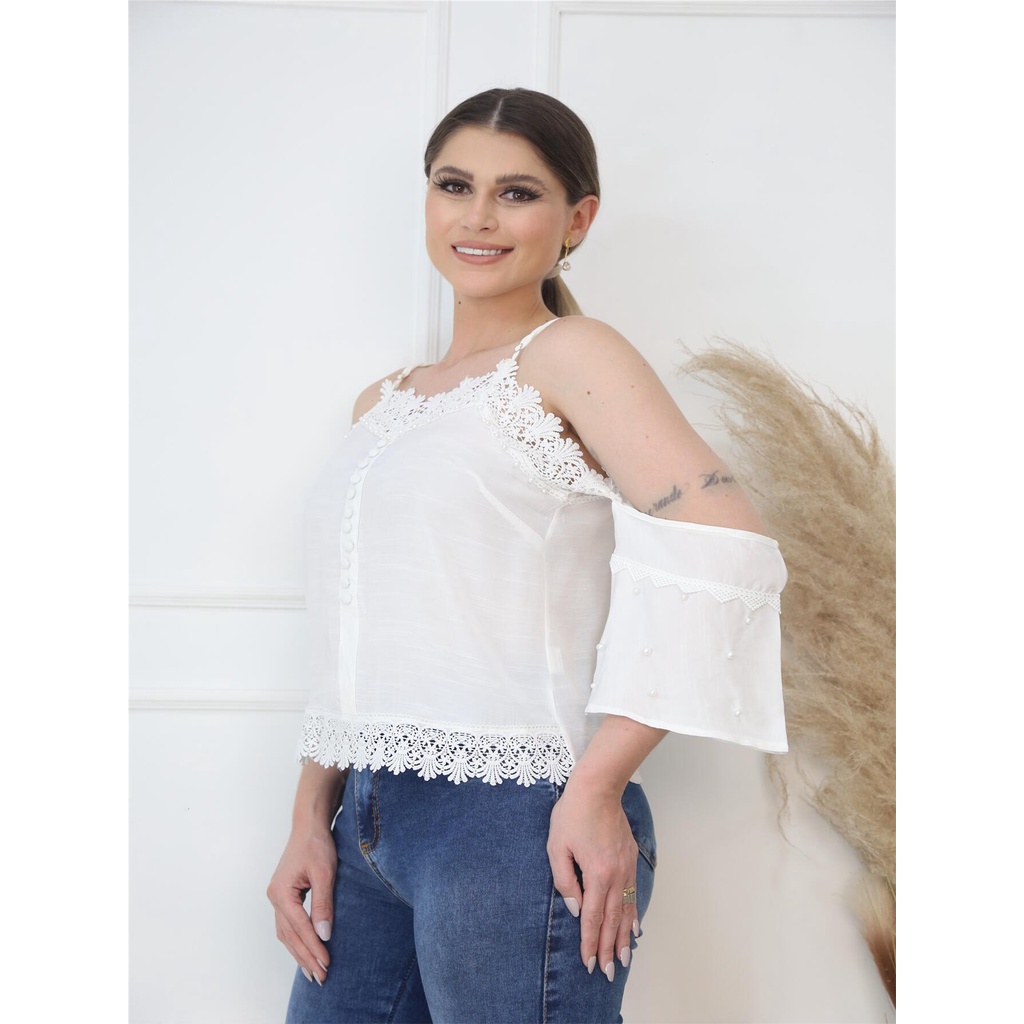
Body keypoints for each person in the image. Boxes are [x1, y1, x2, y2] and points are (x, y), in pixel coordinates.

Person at [267, 87, 788, 1024]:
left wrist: (598, 784)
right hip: (364, 823)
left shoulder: (571, 356)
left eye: (517, 193)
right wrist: (312, 815)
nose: (477, 216)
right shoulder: (381, 403)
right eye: (453, 185)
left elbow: (728, 545)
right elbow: (359, 624)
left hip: (515, 824)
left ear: (577, 220)